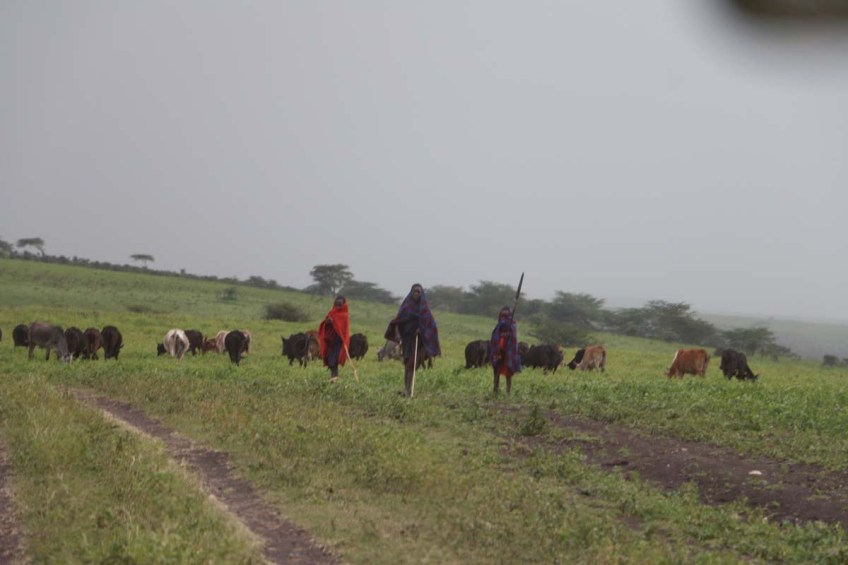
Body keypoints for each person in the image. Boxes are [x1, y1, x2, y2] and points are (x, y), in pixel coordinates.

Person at [389, 283, 441, 397]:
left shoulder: (424, 309)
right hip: (407, 339)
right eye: (414, 291)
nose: (416, 293)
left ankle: (409, 391)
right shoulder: (406, 306)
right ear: (411, 292)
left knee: (412, 364)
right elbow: (398, 320)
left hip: (420, 342)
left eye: (418, 292)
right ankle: (406, 388)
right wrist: (397, 334)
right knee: (407, 363)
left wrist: (421, 329)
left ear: (421, 294)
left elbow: (430, 325)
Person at [318, 295, 350, 381]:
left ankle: (334, 378)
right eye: (337, 303)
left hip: (339, 342)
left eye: (340, 303)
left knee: (334, 362)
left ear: (343, 304)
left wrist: (334, 323)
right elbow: (325, 325)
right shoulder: (331, 313)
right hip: (330, 341)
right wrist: (327, 323)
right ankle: (334, 378)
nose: (338, 305)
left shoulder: (344, 315)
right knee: (330, 361)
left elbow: (343, 330)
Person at [490, 306, 521, 394]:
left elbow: (513, 337)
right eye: (502, 315)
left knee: (508, 371)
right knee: (496, 369)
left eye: (505, 315)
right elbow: (495, 336)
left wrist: (508, 333)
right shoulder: (499, 324)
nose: (503, 317)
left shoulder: (513, 324)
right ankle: (495, 390)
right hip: (498, 350)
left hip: (508, 350)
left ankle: (508, 392)